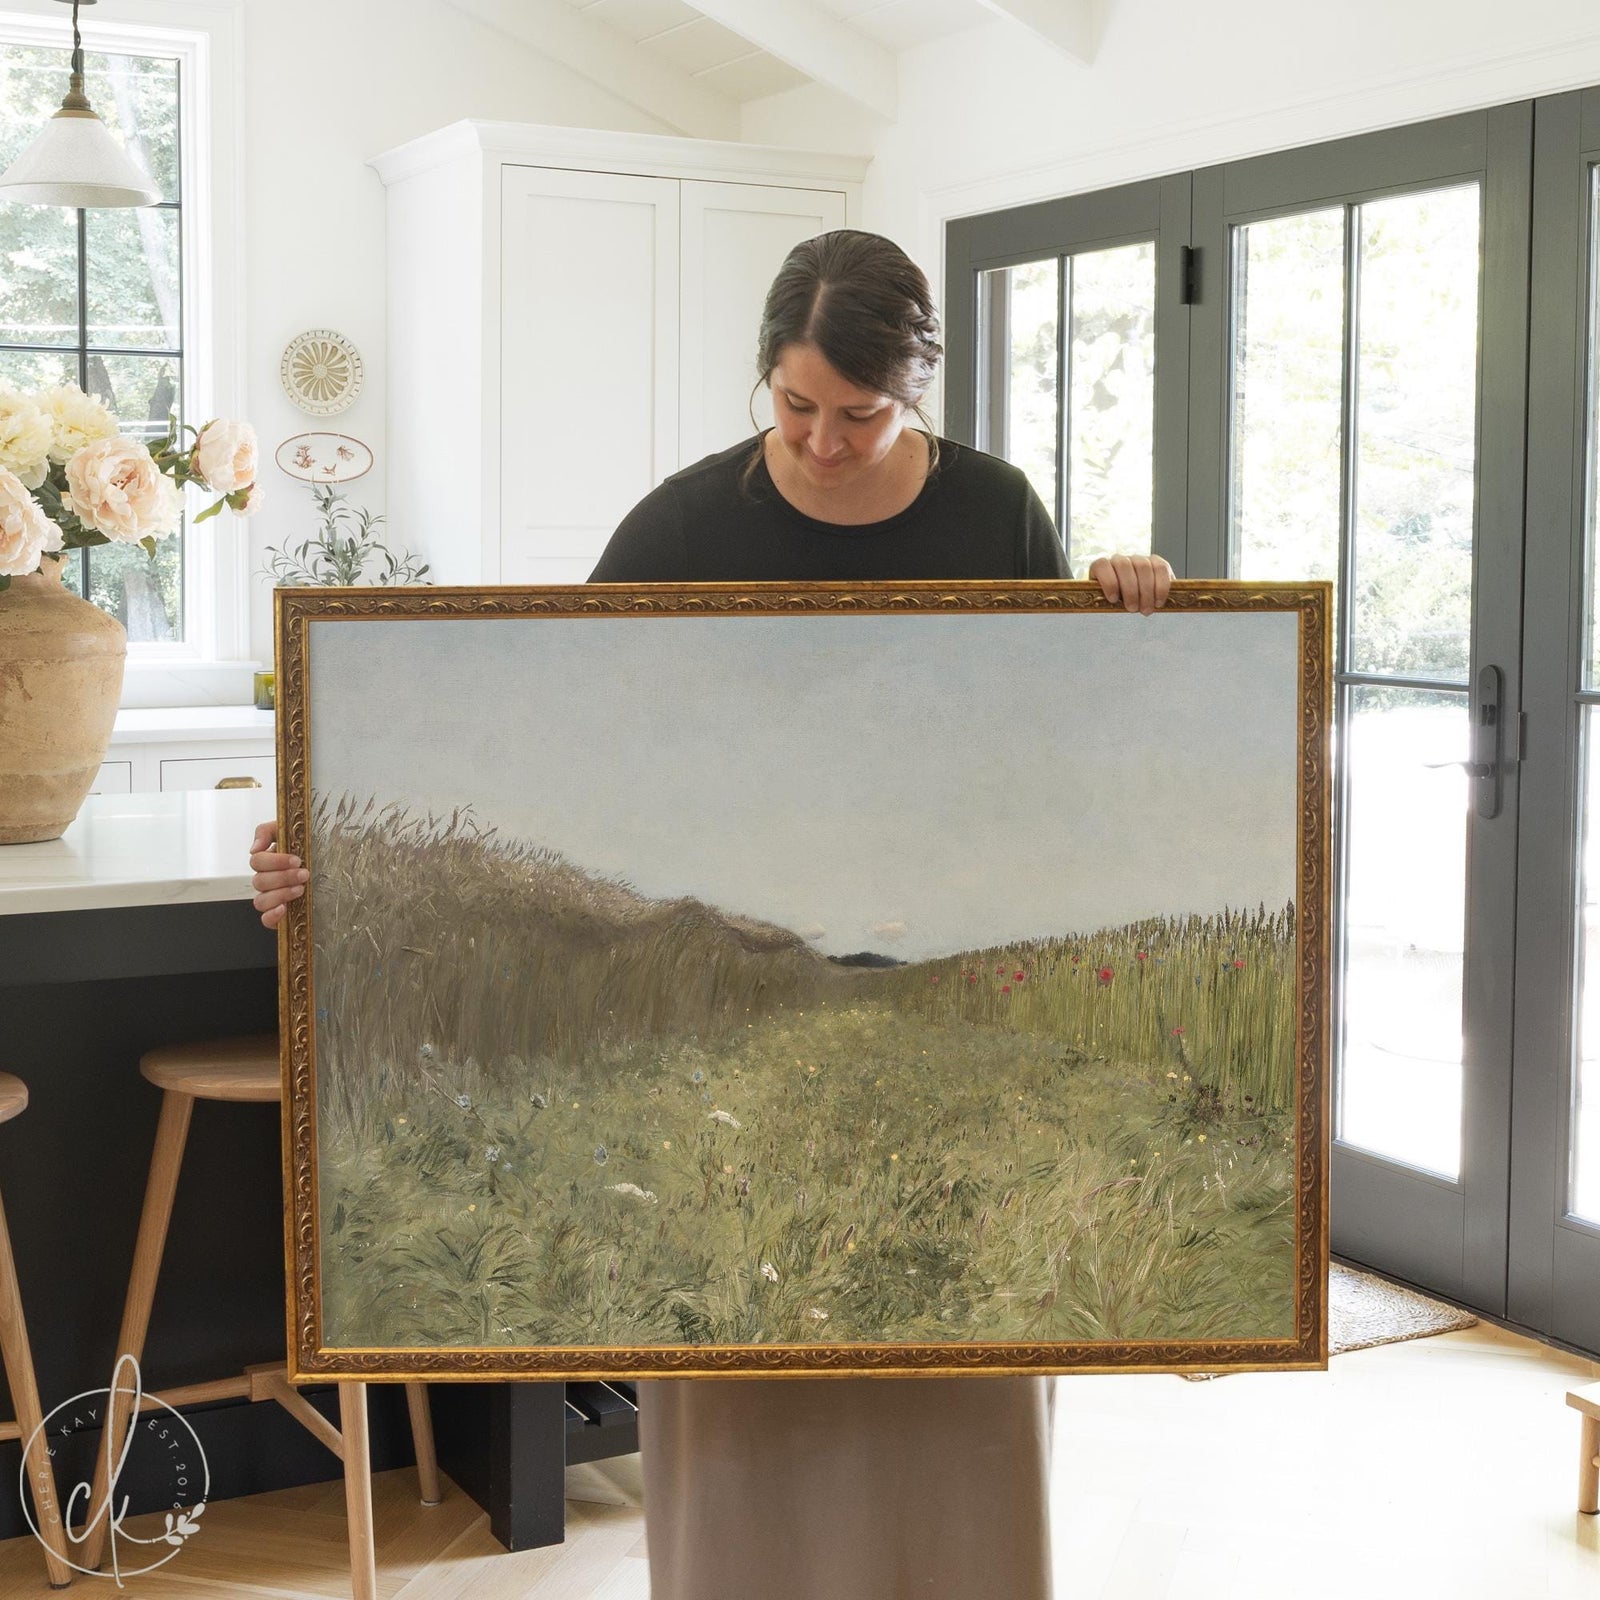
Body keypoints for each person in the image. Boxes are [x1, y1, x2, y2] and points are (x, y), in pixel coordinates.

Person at [250, 229, 1172, 1600]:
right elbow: (549, 752)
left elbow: (1063, 764)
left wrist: (1133, 612)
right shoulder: (682, 527)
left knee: (959, 1378)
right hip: (731, 1033)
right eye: (795, 406)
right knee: (744, 1390)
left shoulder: (997, 512)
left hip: (952, 1008)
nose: (826, 441)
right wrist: (333, 867)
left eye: (861, 414)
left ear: (916, 386)